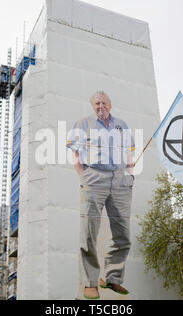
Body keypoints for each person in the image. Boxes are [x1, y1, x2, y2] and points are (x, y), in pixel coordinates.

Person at [66, 91, 135, 299]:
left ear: (110, 105)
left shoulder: (122, 125)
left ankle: (113, 279)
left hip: (120, 179)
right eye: (97, 103)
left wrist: (130, 175)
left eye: (104, 102)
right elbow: (75, 154)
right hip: (94, 177)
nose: (100, 106)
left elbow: (129, 154)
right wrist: (84, 176)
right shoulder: (82, 124)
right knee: (89, 232)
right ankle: (90, 282)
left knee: (122, 233)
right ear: (92, 105)